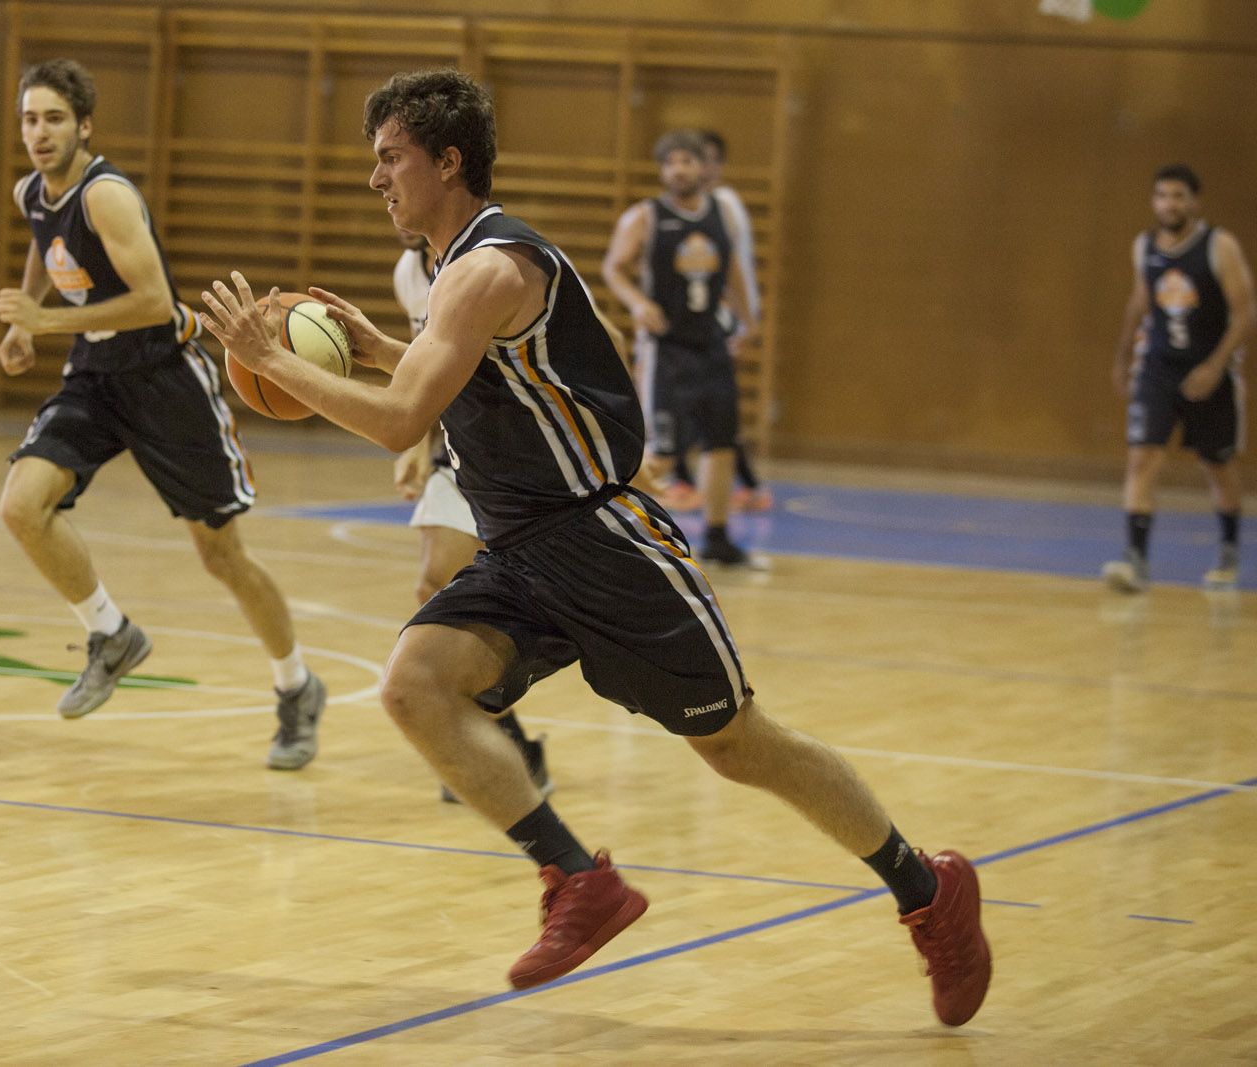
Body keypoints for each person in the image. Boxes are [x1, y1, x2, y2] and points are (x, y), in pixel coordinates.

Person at [201, 68, 991, 1025]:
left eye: (390, 158)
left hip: (606, 542)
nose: (376, 179)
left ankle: (926, 888)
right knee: (415, 684)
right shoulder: (459, 273)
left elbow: (404, 419)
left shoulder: (491, 268)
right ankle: (579, 878)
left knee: (740, 746)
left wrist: (276, 358)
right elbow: (442, 379)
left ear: (448, 162)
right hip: (523, 549)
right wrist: (372, 346)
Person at [0, 58, 325, 769]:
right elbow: (42, 243)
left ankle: (297, 686)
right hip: (95, 376)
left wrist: (43, 324)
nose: (39, 132)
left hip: (164, 378)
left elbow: (154, 301)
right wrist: (26, 322)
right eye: (29, 119)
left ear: (85, 126)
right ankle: (109, 633)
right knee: (22, 505)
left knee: (222, 556)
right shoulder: (34, 190)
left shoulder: (106, 195)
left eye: (54, 118)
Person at [391, 226, 552, 804]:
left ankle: (502, 735)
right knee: (435, 584)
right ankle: (501, 737)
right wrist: (414, 443)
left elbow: (601, 336)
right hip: (456, 448)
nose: (386, 190)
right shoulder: (411, 272)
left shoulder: (497, 263)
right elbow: (427, 369)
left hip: (517, 455)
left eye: (398, 164)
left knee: (483, 599)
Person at [602, 129, 763, 567]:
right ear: (663, 170)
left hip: (709, 342)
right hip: (665, 346)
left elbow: (731, 273)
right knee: (661, 447)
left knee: (721, 440)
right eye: (670, 163)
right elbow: (614, 267)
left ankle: (717, 535)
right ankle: (630, 537)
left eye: (687, 161)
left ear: (703, 166)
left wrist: (746, 323)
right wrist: (638, 302)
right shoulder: (646, 216)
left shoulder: (721, 216)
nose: (679, 170)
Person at [1103, 164, 1254, 593]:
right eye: (1162, 196)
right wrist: (1122, 354)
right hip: (1158, 369)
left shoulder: (1218, 246)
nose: (1170, 204)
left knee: (1217, 466)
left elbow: (1245, 315)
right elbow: (1140, 300)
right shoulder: (1144, 246)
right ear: (1154, 201)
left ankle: (1227, 552)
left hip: (1209, 372)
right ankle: (1135, 561)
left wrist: (1214, 367)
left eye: (1179, 196)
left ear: (1194, 201)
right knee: (1142, 456)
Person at [697, 128, 773, 514]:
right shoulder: (703, 206)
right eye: (697, 159)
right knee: (706, 414)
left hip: (723, 322)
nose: (703, 168)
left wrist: (744, 323)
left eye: (710, 160)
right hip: (714, 322)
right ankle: (737, 486)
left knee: (714, 415)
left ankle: (748, 485)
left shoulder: (721, 205)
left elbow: (728, 271)